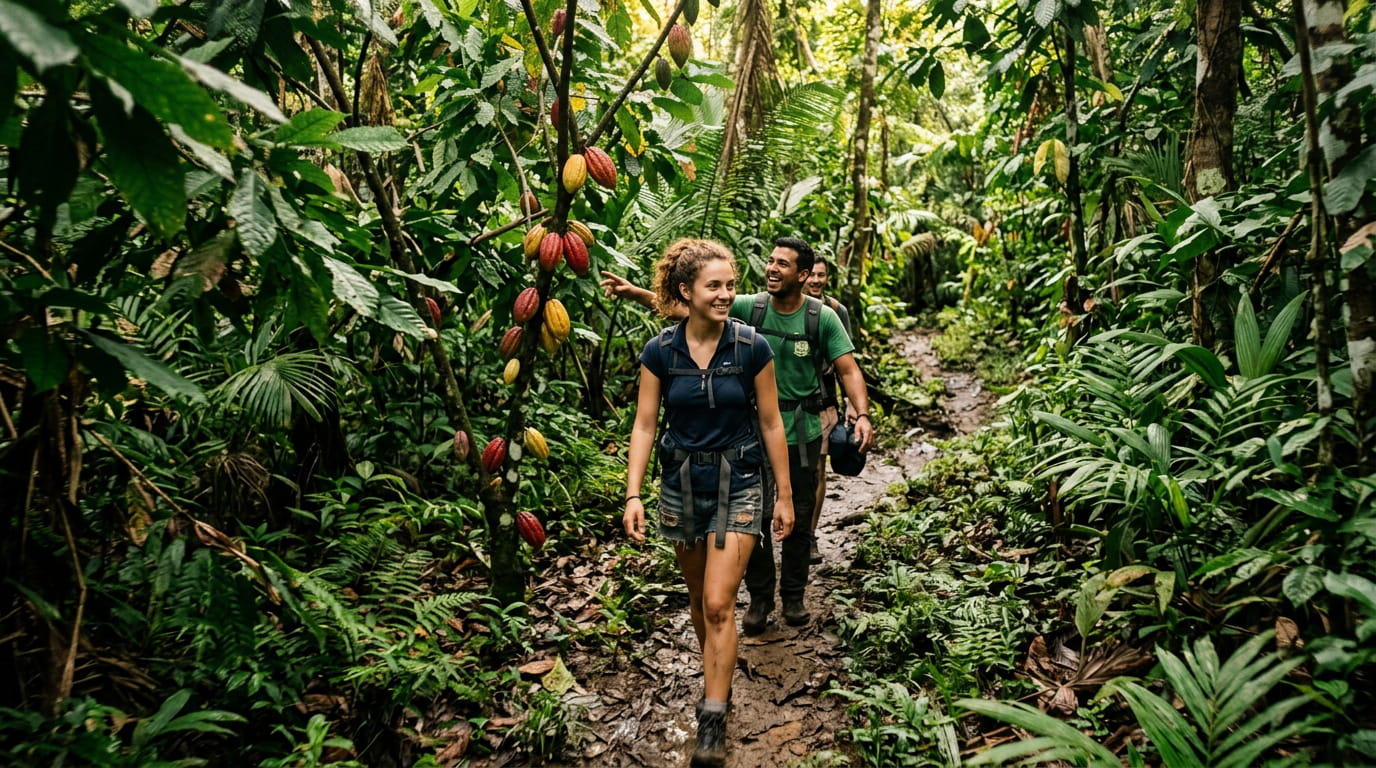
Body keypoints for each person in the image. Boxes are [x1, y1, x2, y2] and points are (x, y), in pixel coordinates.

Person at [604, 236, 873, 637]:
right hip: (749, 434)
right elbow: (689, 306)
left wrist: (862, 412)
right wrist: (636, 293)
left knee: (797, 515)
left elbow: (848, 369)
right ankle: (761, 596)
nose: (772, 269)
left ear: (803, 276)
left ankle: (794, 594)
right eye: (771, 261)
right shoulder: (750, 306)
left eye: (783, 264)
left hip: (802, 430)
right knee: (755, 523)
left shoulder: (822, 317)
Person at [620, 239, 795, 766]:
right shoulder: (660, 352)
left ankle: (712, 717)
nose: (725, 295)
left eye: (730, 285)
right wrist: (633, 493)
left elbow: (770, 421)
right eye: (714, 286)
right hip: (680, 485)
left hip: (739, 480)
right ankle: (715, 672)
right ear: (685, 292)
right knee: (700, 603)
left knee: (720, 603)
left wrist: (784, 494)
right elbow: (646, 424)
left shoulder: (750, 347)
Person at [802, 257, 856, 564]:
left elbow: (845, 363)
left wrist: (852, 404)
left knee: (817, 470)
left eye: (823, 275)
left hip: (823, 400)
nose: (817, 281)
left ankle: (809, 536)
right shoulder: (779, 306)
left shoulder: (835, 312)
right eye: (813, 275)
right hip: (783, 406)